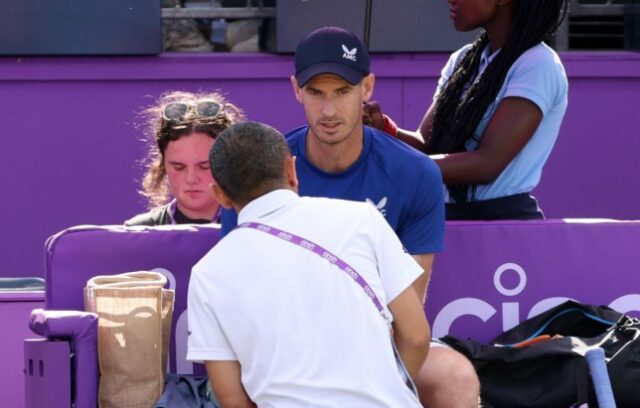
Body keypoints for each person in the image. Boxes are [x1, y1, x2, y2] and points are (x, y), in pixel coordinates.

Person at [220, 27, 480, 407]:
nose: (329, 110)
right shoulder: (262, 170)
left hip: (378, 343)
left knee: (454, 377)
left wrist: (374, 387)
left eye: (342, 92)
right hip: (285, 351)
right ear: (296, 90)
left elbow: (410, 308)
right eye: (316, 93)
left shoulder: (416, 173)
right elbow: (243, 298)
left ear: (367, 87)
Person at [187, 121, 430, 407]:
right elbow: (416, 337)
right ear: (292, 170)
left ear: (220, 196)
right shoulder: (362, 219)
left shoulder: (207, 273)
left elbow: (232, 400)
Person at [364, 0, 569, 222]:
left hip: (504, 227)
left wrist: (399, 165)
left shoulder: (537, 64)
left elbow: (487, 164)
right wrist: (382, 128)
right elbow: (428, 145)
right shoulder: (463, 60)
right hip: (445, 220)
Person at [125, 90, 244, 226]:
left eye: (205, 166)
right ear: (163, 165)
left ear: (228, 162)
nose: (191, 179)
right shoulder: (139, 232)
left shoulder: (254, 230)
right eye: (179, 167)